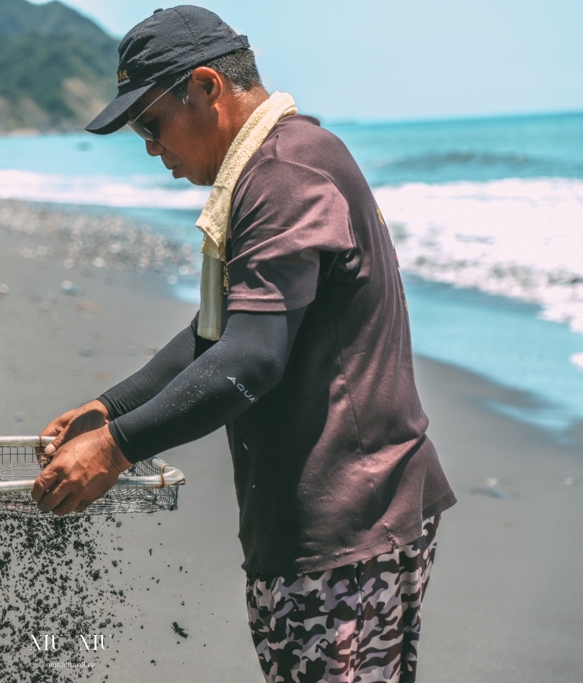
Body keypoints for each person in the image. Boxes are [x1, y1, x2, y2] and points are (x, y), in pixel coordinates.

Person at [29, 6, 457, 683]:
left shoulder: (284, 174)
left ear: (205, 88)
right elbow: (218, 329)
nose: (148, 146)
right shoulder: (272, 165)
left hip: (348, 526)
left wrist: (118, 448)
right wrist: (108, 409)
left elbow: (250, 357)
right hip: (337, 519)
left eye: (150, 122)